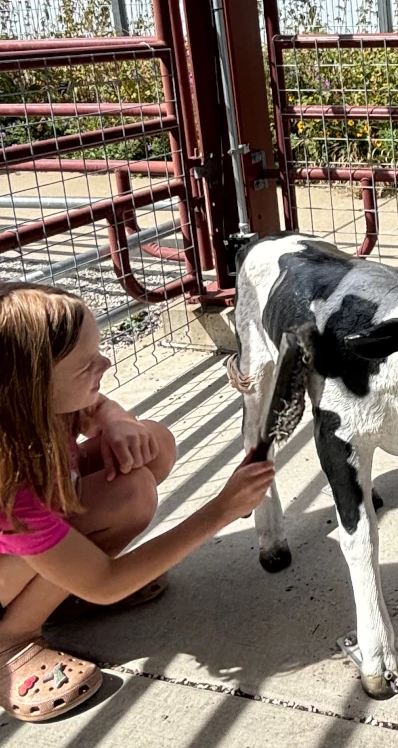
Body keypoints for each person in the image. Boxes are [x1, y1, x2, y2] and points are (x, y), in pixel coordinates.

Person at [0, 282, 274, 722]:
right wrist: (221, 509)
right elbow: (107, 580)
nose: (105, 364)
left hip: (34, 541)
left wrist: (117, 421)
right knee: (126, 506)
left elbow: (99, 408)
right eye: (87, 365)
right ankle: (12, 640)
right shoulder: (9, 487)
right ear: (31, 386)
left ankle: (63, 595)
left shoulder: (39, 406)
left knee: (152, 446)